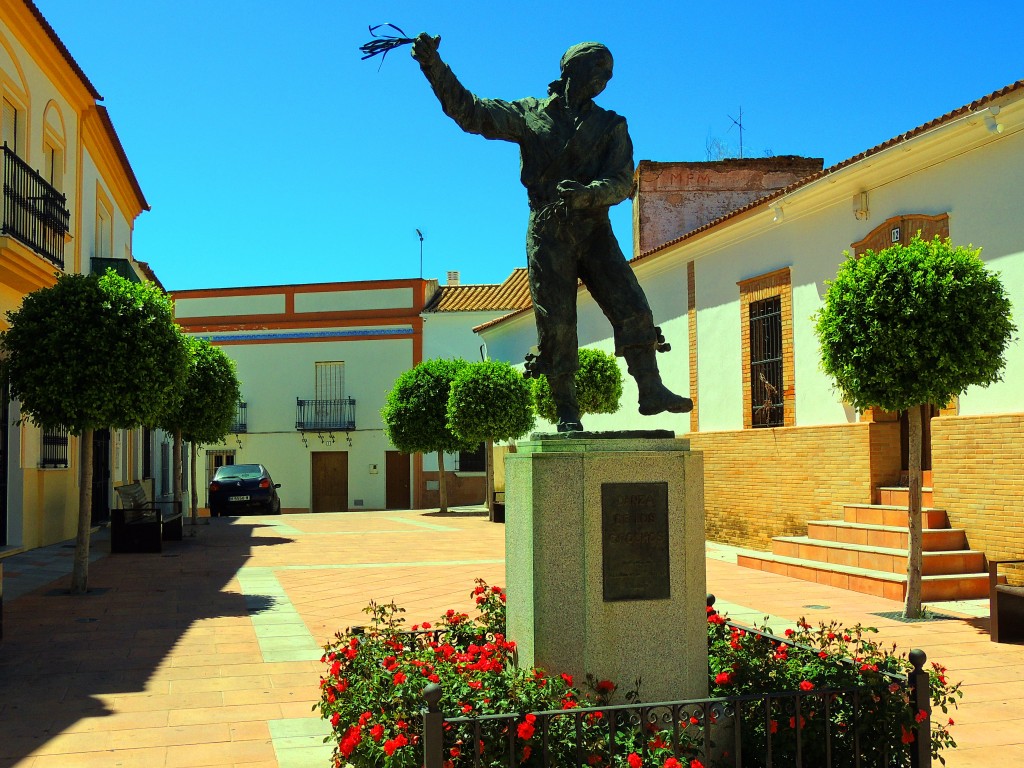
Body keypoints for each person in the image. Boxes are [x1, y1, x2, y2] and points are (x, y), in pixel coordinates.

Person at [411, 34, 693, 431]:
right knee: (556, 322)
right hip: (548, 230)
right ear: (571, 69)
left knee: (632, 304)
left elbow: (621, 181)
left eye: (609, 76)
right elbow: (470, 112)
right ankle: (567, 411)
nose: (604, 82)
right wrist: (433, 66)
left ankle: (651, 389)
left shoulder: (611, 125)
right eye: (599, 71)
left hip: (594, 227)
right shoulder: (530, 114)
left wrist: (587, 195)